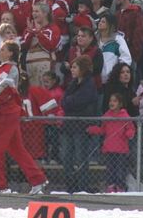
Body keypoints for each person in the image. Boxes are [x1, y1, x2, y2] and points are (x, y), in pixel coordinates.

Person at [0, 40, 46, 194]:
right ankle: (37, 180)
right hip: (7, 111)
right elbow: (2, 89)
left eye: (2, 49)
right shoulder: (4, 68)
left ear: (10, 53)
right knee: (17, 150)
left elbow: (5, 89)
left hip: (7, 112)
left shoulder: (9, 68)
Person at [61, 55, 98, 193]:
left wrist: (69, 102)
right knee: (66, 157)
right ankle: (70, 185)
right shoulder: (73, 83)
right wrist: (69, 102)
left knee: (80, 157)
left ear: (82, 68)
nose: (72, 70)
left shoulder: (89, 84)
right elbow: (64, 101)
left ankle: (82, 186)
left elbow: (78, 101)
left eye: (75, 67)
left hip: (81, 126)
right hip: (68, 125)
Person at [86, 93, 135, 193]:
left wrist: (129, 133)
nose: (112, 103)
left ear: (120, 104)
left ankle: (120, 186)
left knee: (120, 169)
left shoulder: (125, 116)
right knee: (110, 169)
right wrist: (93, 129)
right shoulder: (107, 116)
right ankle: (111, 185)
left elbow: (131, 129)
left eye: (115, 101)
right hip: (109, 148)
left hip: (121, 149)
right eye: (110, 101)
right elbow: (103, 130)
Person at [22, 3, 61, 87]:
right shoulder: (30, 29)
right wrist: (31, 31)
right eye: (33, 11)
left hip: (46, 69)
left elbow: (52, 46)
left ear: (45, 13)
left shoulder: (53, 29)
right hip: (30, 68)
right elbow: (24, 46)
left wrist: (38, 33)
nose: (34, 14)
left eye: (37, 11)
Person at [96, 13, 132, 85]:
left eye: (103, 22)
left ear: (111, 25)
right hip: (96, 81)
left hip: (112, 82)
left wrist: (116, 74)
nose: (100, 23)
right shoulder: (93, 39)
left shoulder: (118, 40)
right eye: (100, 21)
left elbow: (126, 59)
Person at [114, 0, 143, 67]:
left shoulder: (136, 13)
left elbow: (139, 34)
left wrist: (134, 54)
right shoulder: (117, 14)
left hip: (130, 55)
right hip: (117, 53)